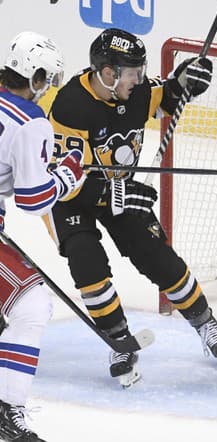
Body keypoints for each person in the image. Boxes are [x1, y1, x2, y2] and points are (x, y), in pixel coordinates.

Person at [46, 28, 217, 388]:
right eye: (131, 72)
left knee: (156, 257)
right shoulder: (70, 105)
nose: (139, 78)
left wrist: (186, 80)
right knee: (87, 262)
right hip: (74, 196)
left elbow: (166, 97)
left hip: (121, 188)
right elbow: (71, 182)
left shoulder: (137, 91)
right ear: (107, 72)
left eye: (139, 70)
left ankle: (203, 319)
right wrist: (117, 194)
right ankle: (118, 340)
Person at [0, 31, 85, 441]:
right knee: (31, 304)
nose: (48, 88)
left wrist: (35, 163)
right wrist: (66, 175)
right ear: (34, 76)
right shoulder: (31, 122)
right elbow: (33, 200)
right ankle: (7, 413)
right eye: (47, 79)